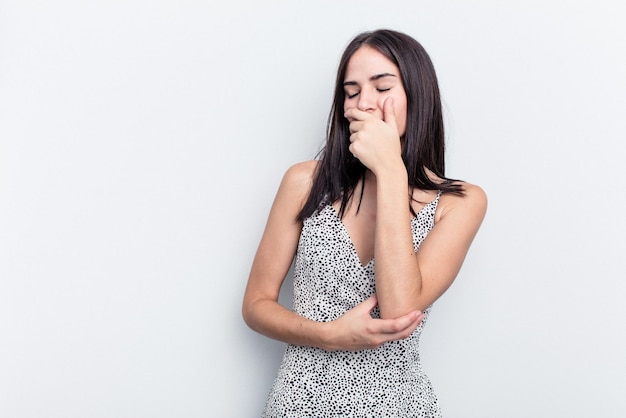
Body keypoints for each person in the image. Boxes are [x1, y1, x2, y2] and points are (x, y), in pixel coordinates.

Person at [242, 29, 487, 417]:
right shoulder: (305, 182)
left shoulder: (460, 201)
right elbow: (255, 305)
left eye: (382, 87)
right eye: (352, 92)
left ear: (417, 95)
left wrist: (390, 170)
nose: (364, 104)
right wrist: (327, 336)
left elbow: (398, 308)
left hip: (398, 407)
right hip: (300, 404)